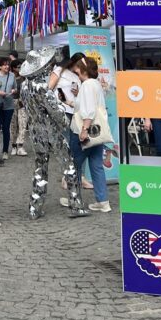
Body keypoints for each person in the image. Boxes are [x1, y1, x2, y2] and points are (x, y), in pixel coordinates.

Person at [62, 57, 111, 213]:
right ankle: (103, 201)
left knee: (74, 166)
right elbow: (89, 105)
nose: (75, 71)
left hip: (83, 131)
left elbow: (88, 110)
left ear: (83, 70)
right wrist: (70, 102)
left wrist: (84, 130)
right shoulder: (94, 84)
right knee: (96, 166)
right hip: (97, 133)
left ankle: (74, 198)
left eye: (77, 68)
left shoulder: (87, 85)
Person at [0, 58, 16, 162]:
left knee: (6, 128)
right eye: (4, 65)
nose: (7, 66)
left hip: (9, 105)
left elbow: (15, 88)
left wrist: (13, 90)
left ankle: (5, 151)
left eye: (8, 64)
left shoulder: (12, 75)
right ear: (0, 66)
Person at [9, 59, 28, 156]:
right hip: (11, 103)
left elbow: (26, 91)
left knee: (22, 124)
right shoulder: (9, 77)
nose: (19, 69)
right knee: (13, 125)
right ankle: (13, 146)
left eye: (20, 66)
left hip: (22, 103)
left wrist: (23, 100)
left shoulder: (24, 78)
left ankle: (20, 145)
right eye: (17, 67)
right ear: (13, 68)